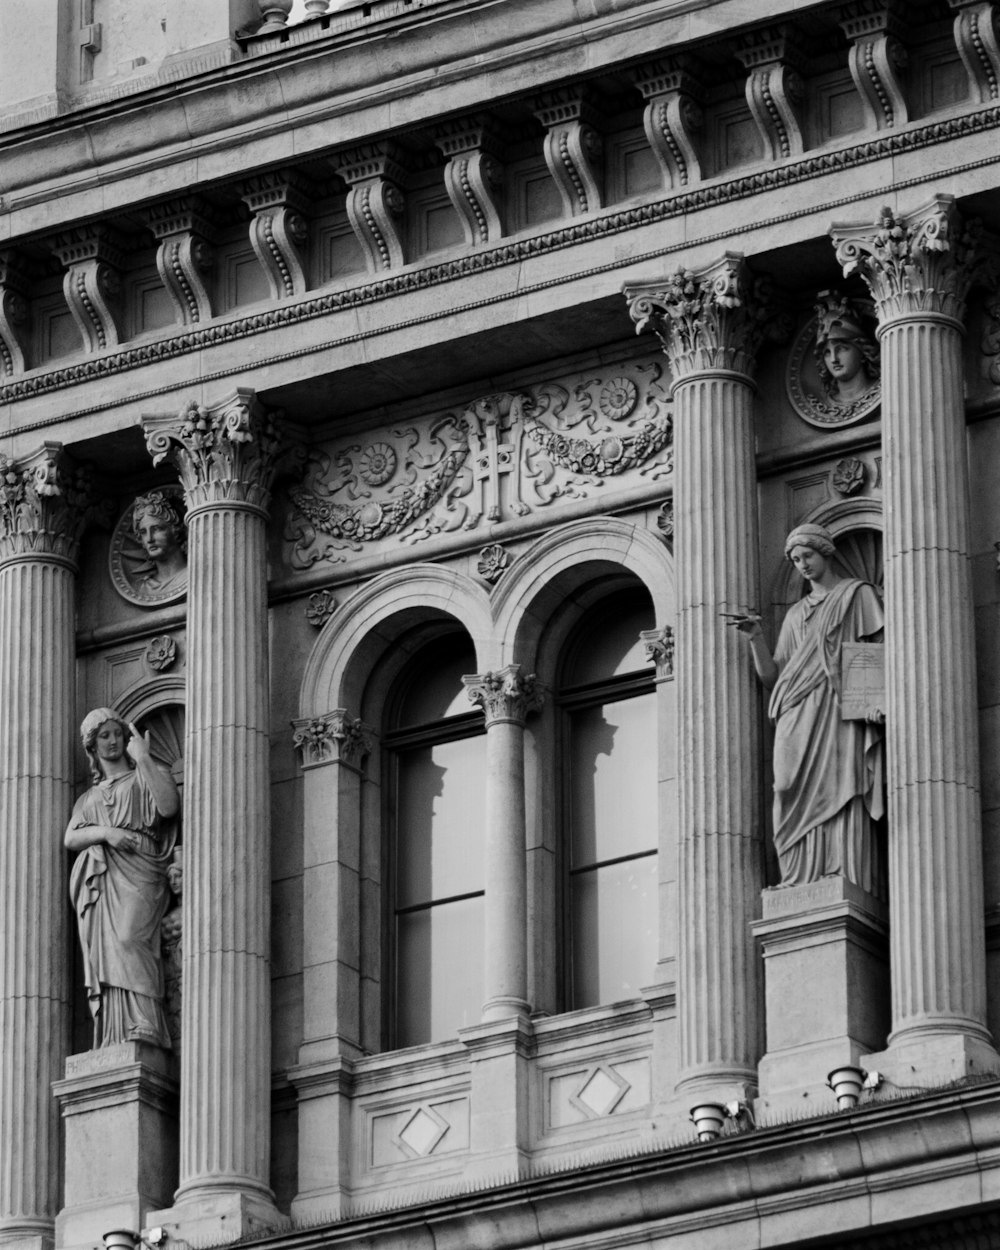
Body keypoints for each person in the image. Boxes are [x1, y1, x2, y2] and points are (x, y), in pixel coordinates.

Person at [728, 524, 885, 893]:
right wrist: (755, 638)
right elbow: (773, 677)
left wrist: (877, 700)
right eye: (796, 560)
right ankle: (800, 875)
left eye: (807, 556)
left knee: (841, 782)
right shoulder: (796, 613)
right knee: (785, 785)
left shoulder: (856, 595)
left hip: (836, 707)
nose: (802, 565)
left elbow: (875, 648)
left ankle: (843, 868)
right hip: (795, 709)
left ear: (825, 552)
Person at [66, 709, 180, 1049]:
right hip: (109, 874)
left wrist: (143, 759)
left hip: (143, 869)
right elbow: (71, 838)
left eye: (117, 733)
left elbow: (169, 806)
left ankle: (148, 1022)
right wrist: (107, 833)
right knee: (112, 948)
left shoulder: (147, 775)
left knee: (131, 938)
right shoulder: (90, 799)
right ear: (92, 747)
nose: (113, 740)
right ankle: (119, 1031)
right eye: (104, 736)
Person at [813, 292, 880, 407]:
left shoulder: (884, 388)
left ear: (863, 352)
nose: (834, 359)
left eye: (842, 349)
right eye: (827, 353)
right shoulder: (821, 405)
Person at [131, 491, 187, 594]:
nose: (149, 538)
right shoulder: (143, 588)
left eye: (156, 529)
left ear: (175, 530)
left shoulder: (192, 575)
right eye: (143, 532)